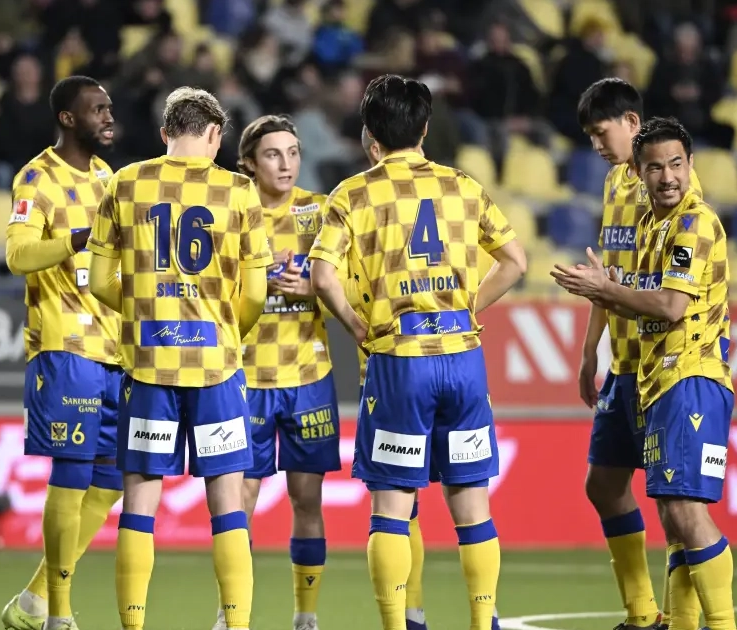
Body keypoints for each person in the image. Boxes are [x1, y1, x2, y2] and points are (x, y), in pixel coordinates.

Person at [308, 74, 527, 630]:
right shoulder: (463, 186)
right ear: (425, 129)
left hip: (400, 360)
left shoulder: (352, 194)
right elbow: (516, 262)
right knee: (472, 506)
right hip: (462, 358)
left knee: (392, 506)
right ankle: (484, 622)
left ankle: (397, 624)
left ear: (369, 135)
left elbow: (323, 275)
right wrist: (468, 308)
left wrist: (357, 325)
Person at [87, 86, 271, 630]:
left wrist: (144, 313)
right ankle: (236, 624)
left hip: (148, 368)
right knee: (228, 503)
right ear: (215, 134)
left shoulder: (125, 182)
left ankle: (132, 624)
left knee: (139, 503)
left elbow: (99, 281)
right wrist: (226, 331)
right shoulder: (239, 190)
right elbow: (256, 295)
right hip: (217, 369)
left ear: (165, 132)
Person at [553, 116, 736, 630]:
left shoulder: (692, 223)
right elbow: (644, 303)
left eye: (676, 164)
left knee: (686, 513)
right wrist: (604, 292)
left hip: (692, 376)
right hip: (660, 380)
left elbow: (672, 306)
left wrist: (605, 290)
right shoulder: (651, 228)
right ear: (639, 172)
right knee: (675, 514)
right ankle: (675, 622)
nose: (668, 177)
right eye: (655, 168)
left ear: (691, 165)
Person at [575, 78, 703, 630]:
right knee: (603, 484)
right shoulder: (613, 183)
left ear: (631, 122)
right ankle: (643, 616)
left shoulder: (673, 186)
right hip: (623, 361)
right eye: (589, 136)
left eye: (601, 132)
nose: (596, 144)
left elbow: (676, 282)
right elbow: (609, 275)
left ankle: (683, 618)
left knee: (673, 503)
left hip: (664, 361)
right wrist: (590, 351)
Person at [202, 114, 337, 630]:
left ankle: (306, 616)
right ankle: (231, 614)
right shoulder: (232, 211)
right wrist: (258, 284)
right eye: (273, 154)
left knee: (307, 498)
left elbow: (353, 285)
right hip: (246, 378)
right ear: (249, 164)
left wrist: (315, 290)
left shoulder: (320, 212)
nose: (286, 164)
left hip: (308, 376)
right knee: (241, 499)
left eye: (293, 153)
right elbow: (206, 289)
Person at [0, 75, 123, 630]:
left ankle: (33, 600)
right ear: (68, 119)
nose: (108, 117)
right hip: (64, 345)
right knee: (71, 477)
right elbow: (18, 256)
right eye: (97, 109)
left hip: (115, 348)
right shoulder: (36, 177)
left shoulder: (107, 178)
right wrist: (76, 238)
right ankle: (59, 615)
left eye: (109, 108)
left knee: (111, 481)